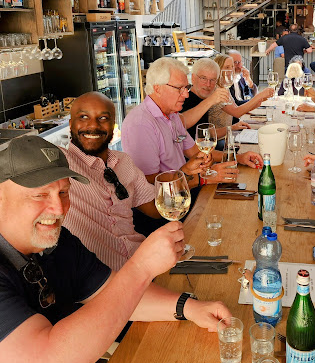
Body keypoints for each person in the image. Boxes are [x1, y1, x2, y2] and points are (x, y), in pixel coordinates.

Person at [0, 135, 231, 363]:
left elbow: (113, 292)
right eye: (40, 194)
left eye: (63, 192)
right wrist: (142, 267)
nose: (59, 208)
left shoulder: (57, 243)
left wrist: (189, 307)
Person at [63, 92, 208, 271]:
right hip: (101, 282)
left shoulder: (124, 163)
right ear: (71, 124)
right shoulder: (60, 165)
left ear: (113, 125)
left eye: (103, 118)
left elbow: (155, 209)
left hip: (144, 263)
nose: (93, 125)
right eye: (83, 117)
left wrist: (184, 177)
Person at [121, 57, 261, 185]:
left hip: (187, 188)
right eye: (179, 88)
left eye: (186, 88)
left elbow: (195, 151)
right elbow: (149, 182)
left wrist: (238, 158)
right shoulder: (140, 124)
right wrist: (203, 178)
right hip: (170, 205)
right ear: (157, 88)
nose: (186, 94)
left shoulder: (172, 115)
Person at [180, 58, 249, 140]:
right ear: (193, 78)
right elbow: (180, 124)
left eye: (212, 80)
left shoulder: (202, 98)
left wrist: (232, 127)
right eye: (203, 78)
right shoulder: (184, 101)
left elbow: (207, 133)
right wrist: (211, 100)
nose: (208, 84)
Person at [208, 54, 274, 131]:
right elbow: (237, 112)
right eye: (227, 67)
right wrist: (260, 96)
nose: (231, 70)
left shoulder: (224, 86)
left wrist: (261, 99)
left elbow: (237, 108)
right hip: (219, 138)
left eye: (232, 66)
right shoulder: (217, 90)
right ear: (218, 69)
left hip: (228, 133)